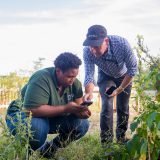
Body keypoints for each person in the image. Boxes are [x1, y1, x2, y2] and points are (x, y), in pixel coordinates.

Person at [6, 52, 91, 158]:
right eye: (69, 76)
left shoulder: (75, 83)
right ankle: (24, 154)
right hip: (23, 115)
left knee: (82, 124)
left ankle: (48, 150)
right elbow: (33, 110)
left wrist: (81, 112)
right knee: (37, 129)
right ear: (58, 71)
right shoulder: (41, 77)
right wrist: (65, 108)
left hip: (49, 117)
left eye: (75, 76)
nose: (72, 80)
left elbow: (77, 107)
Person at [82, 24, 137, 144]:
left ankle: (121, 139)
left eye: (96, 46)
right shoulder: (87, 51)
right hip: (106, 77)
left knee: (123, 107)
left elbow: (132, 69)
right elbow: (89, 74)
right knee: (106, 104)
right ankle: (106, 144)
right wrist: (89, 92)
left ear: (106, 41)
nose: (93, 49)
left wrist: (121, 88)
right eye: (91, 46)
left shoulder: (121, 44)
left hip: (124, 76)